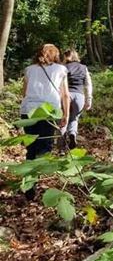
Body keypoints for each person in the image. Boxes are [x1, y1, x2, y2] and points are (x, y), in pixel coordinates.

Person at [20, 44, 70, 198]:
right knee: (45, 147)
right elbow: (65, 95)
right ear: (56, 55)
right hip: (49, 112)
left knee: (31, 148)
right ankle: (37, 180)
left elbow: (24, 92)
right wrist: (66, 115)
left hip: (28, 112)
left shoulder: (29, 70)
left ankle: (29, 185)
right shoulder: (61, 70)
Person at [62, 49, 93, 149]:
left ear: (67, 57)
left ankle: (61, 145)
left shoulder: (63, 68)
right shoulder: (84, 68)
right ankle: (72, 134)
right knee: (74, 118)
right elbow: (88, 85)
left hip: (66, 95)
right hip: (79, 96)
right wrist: (89, 100)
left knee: (63, 118)